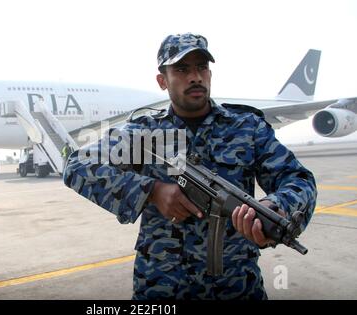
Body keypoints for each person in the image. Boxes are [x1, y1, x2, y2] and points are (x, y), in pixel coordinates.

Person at [63, 33, 317, 300]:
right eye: (182, 69)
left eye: (201, 67)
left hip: (237, 286)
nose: (195, 76)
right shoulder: (143, 134)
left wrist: (276, 207)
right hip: (161, 286)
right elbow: (77, 165)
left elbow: (298, 179)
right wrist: (151, 190)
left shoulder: (246, 128)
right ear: (163, 81)